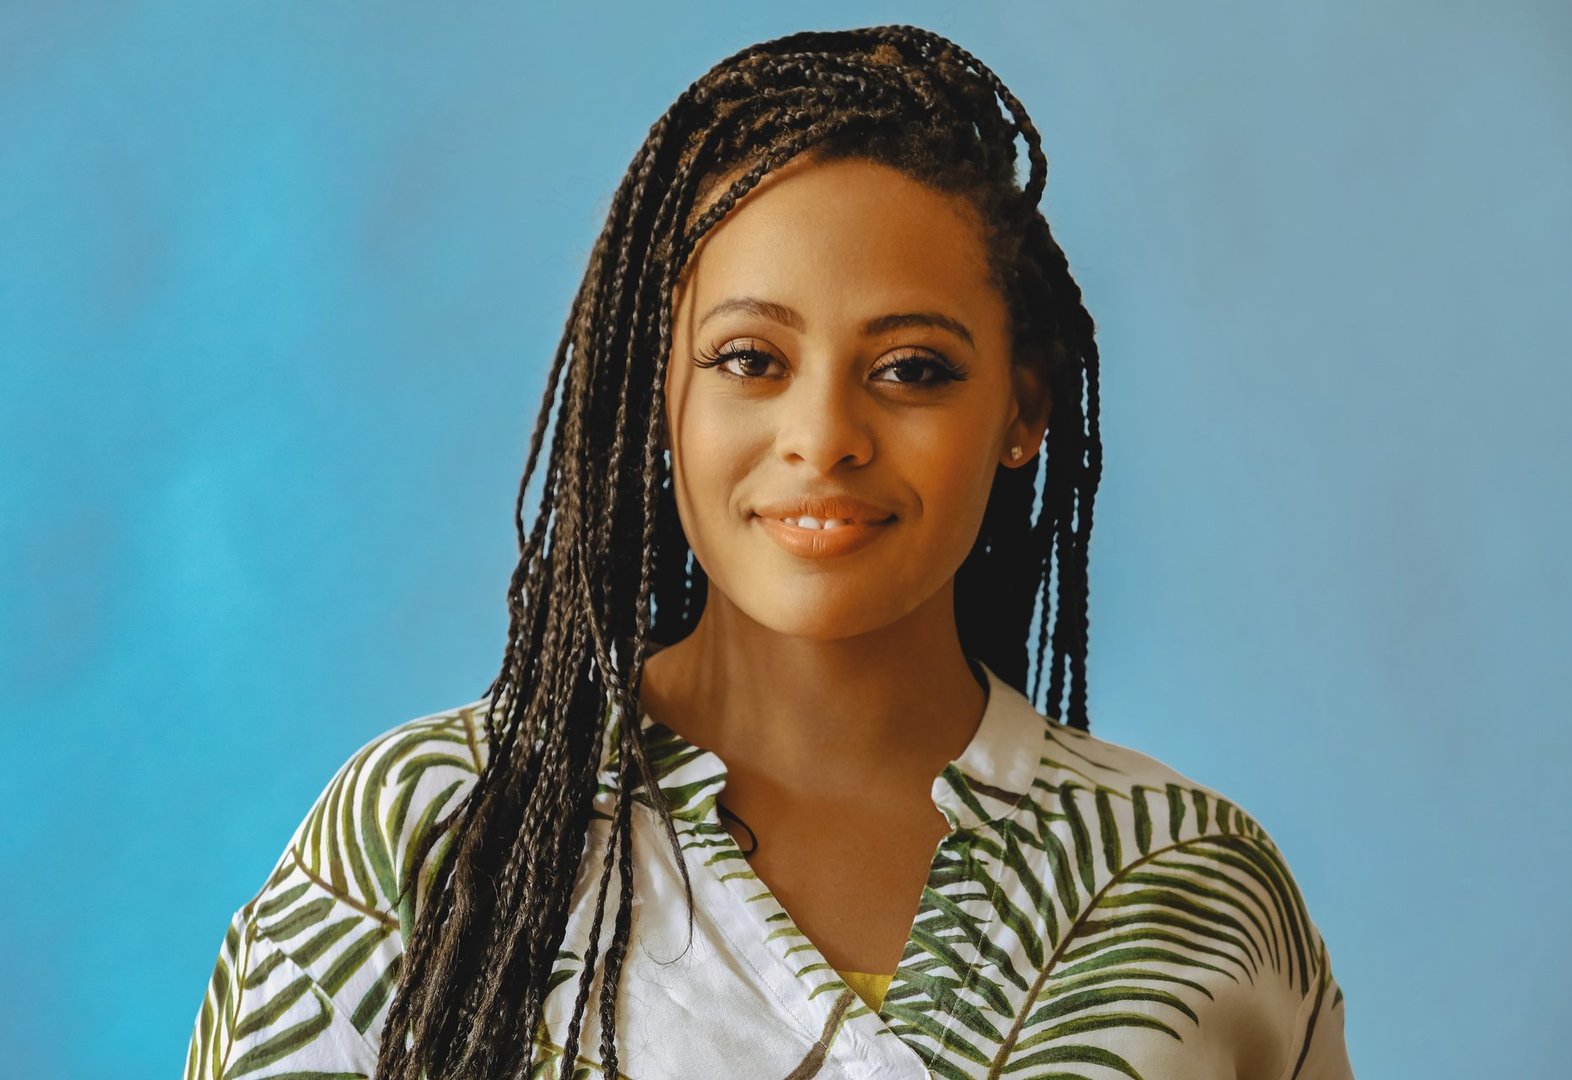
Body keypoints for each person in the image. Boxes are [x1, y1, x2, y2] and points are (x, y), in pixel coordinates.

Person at [184, 24, 1353, 1080]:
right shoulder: (435, 834)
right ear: (657, 392)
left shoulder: (1190, 885)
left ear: (1023, 409)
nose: (824, 440)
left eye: (912, 370)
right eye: (750, 359)